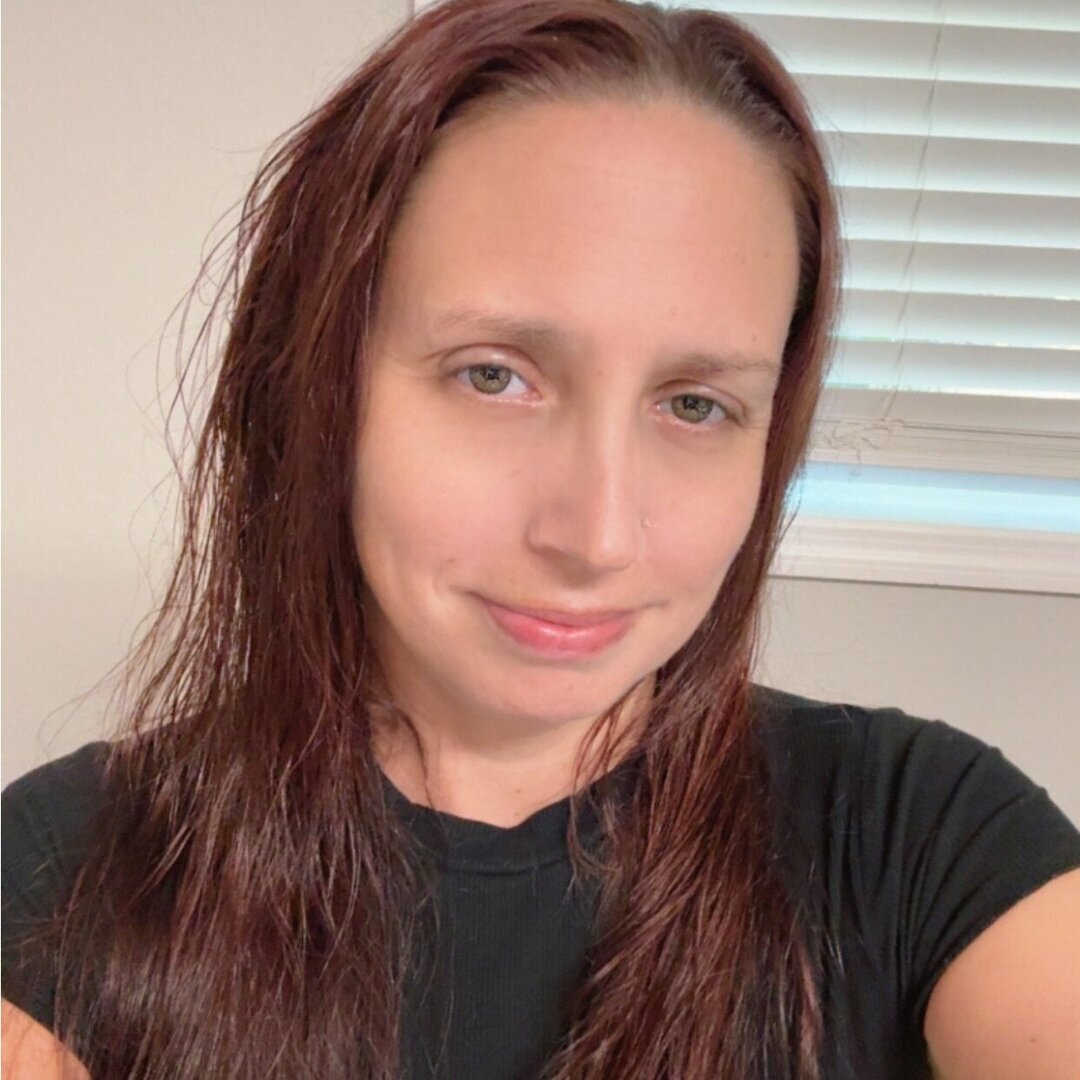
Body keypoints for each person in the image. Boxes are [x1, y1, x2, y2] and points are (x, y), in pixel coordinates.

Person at [3, 1, 1079, 1077]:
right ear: (314, 383)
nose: (598, 537)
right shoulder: (60, 875)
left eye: (696, 404)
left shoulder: (926, 840)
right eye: (493, 375)